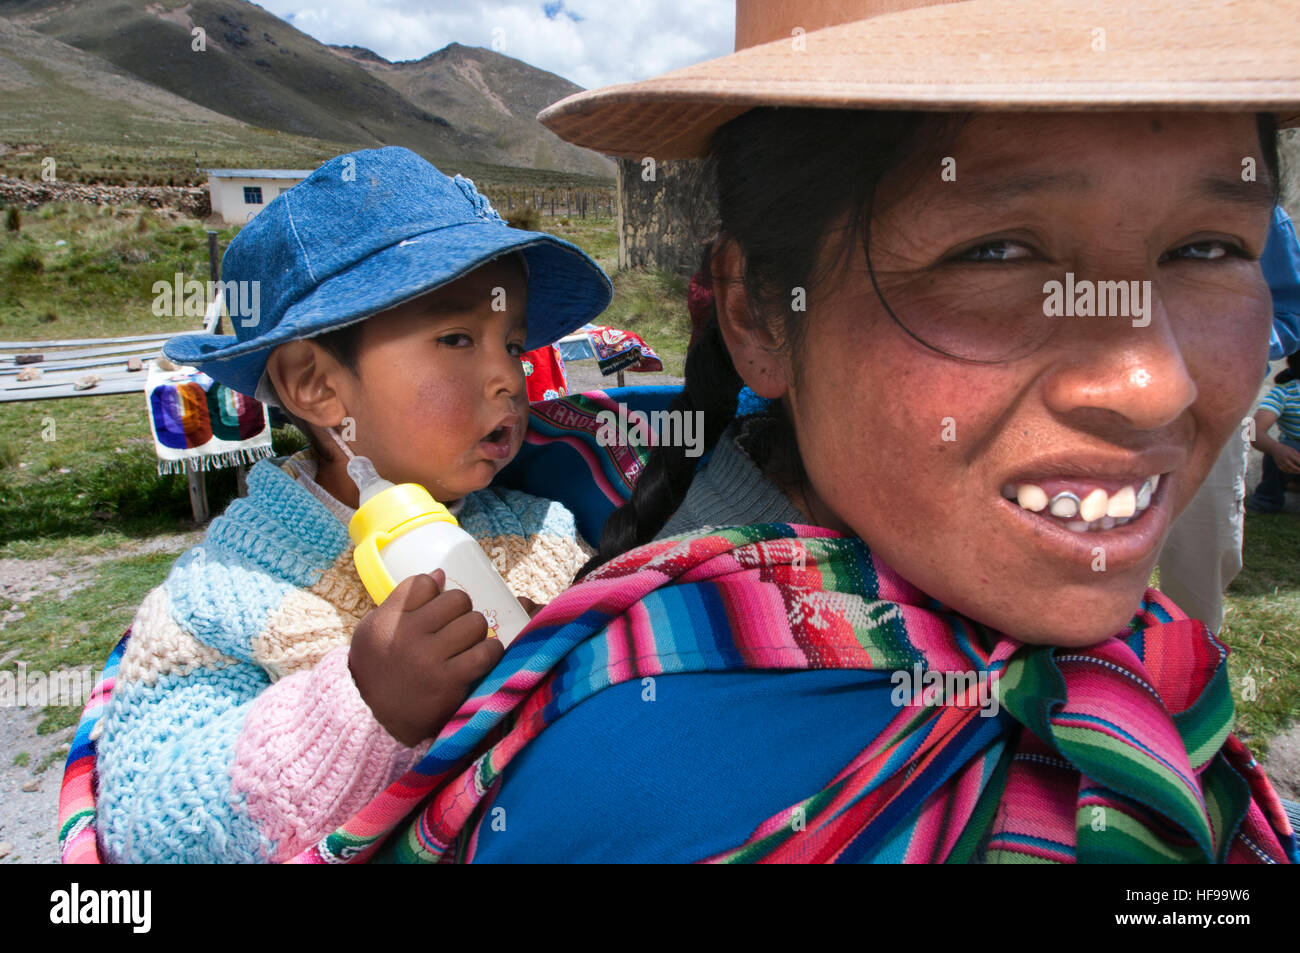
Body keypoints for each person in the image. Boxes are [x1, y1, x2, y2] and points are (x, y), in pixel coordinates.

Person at [301, 0, 1295, 864]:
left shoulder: (1135, 666)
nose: (1151, 381)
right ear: (758, 315)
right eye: (998, 252)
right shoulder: (634, 773)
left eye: (1206, 248)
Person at [75, 146, 612, 863]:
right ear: (317, 385)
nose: (506, 378)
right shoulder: (223, 597)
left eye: (511, 342)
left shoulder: (544, 534)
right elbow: (148, 825)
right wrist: (362, 709)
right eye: (457, 338)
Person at [1157, 205, 1300, 626]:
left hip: (1211, 407)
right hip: (1096, 401)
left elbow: (1288, 314)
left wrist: (1220, 342)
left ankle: (1192, 662)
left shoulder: (1255, 207)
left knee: (1204, 542)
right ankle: (1096, 672)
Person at [1246, 352, 1300, 512]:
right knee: (1283, 448)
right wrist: (1275, 449)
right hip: (1295, 460)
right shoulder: (1284, 393)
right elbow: (1253, 431)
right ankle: (1266, 499)